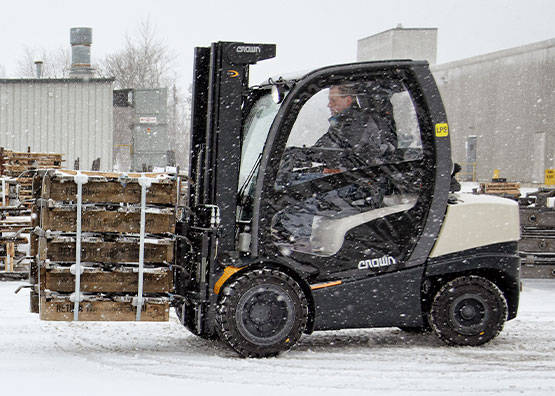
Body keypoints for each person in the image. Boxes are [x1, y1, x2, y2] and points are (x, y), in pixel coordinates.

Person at [271, 84, 397, 254]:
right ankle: (280, 229)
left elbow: (350, 157)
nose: (329, 105)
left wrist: (327, 164)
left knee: (305, 193)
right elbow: (323, 149)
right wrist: (298, 154)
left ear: (348, 100)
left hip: (359, 186)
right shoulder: (342, 123)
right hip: (345, 178)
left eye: (333, 100)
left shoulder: (359, 124)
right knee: (286, 182)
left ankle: (297, 242)